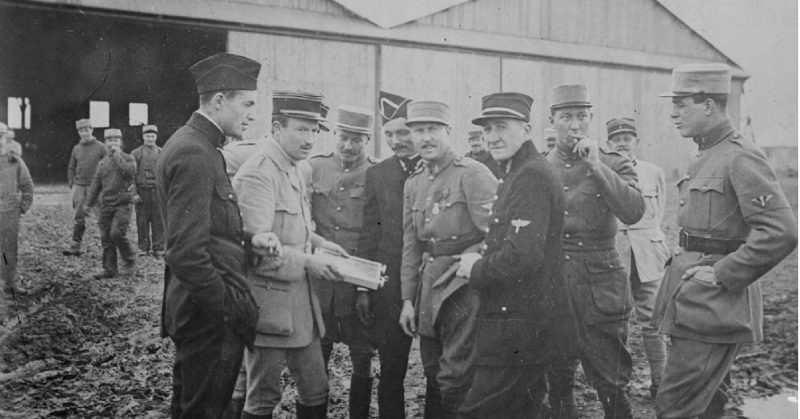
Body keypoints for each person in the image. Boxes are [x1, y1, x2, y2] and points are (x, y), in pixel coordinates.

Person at [652, 63, 797, 419]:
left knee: (675, 408)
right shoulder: (704, 153)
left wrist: (722, 272)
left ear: (709, 105)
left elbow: (781, 230)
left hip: (714, 304)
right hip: (694, 301)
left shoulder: (740, 155)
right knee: (709, 405)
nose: (673, 113)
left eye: (681, 103)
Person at [456, 92, 578, 418]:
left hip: (521, 323)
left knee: (478, 411)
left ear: (525, 129)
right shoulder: (517, 170)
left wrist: (477, 269)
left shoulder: (531, 175)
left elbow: (523, 256)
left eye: (501, 127)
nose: (492, 137)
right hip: (524, 319)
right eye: (487, 130)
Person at [156, 52, 263, 419]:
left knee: (191, 409)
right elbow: (186, 251)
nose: (252, 114)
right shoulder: (195, 153)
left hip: (195, 310)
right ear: (219, 101)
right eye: (247, 104)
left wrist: (249, 241)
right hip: (208, 318)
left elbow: (211, 231)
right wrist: (226, 309)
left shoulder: (200, 146)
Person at [233, 90, 349, 419]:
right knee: (261, 398)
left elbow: (291, 229)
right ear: (276, 127)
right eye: (302, 129)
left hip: (300, 305)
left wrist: (319, 242)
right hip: (267, 307)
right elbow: (258, 252)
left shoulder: (295, 167)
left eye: (314, 130)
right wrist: (311, 262)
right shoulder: (259, 172)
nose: (311, 138)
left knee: (316, 388)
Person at [544, 84, 644, 418]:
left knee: (612, 384)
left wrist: (597, 167)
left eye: (581, 117)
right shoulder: (541, 167)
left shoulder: (614, 162)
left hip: (601, 285)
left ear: (590, 119)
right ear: (552, 121)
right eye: (566, 117)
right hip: (556, 282)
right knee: (557, 382)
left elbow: (633, 211)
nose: (574, 125)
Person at [398, 100, 498, 418]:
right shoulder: (414, 182)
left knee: (456, 374)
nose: (425, 138)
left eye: (433, 130)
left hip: (463, 286)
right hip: (428, 286)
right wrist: (407, 300)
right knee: (432, 369)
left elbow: (497, 235)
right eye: (418, 131)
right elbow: (411, 245)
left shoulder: (472, 173)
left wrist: (470, 259)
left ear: (448, 133)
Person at [309, 105, 376, 419]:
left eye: (357, 139)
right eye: (344, 137)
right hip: (320, 282)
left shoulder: (375, 174)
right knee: (316, 355)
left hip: (358, 284)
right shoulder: (314, 168)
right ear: (334, 135)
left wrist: (365, 288)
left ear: (367, 140)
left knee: (362, 357)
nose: (349, 146)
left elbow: (376, 234)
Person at [356, 90, 419, 419]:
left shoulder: (445, 169)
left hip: (438, 285)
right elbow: (370, 234)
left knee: (444, 374)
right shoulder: (377, 175)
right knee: (392, 371)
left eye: (404, 132)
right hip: (392, 287)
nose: (396, 141)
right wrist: (364, 287)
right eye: (390, 134)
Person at [607, 117, 669, 398]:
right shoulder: (605, 170)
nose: (622, 142)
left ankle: (661, 382)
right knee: (617, 319)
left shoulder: (653, 171)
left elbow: (660, 209)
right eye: (616, 138)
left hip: (647, 250)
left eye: (627, 137)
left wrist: (649, 237)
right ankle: (620, 384)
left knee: (651, 318)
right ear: (608, 143)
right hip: (617, 250)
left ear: (637, 142)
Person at [86, 128, 138, 279]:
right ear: (105, 142)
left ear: (121, 142)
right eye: (109, 140)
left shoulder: (128, 158)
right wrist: (88, 205)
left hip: (123, 203)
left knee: (116, 233)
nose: (112, 143)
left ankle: (129, 260)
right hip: (107, 205)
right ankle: (109, 269)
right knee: (106, 237)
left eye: (115, 140)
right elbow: (96, 185)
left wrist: (117, 156)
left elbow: (130, 173)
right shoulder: (102, 164)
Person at [0, 122, 34, 322]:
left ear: (6, 138)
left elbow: (27, 185)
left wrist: (22, 207)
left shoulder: (15, 161)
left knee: (9, 249)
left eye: (1, 136)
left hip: (10, 212)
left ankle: (10, 282)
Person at [64, 118, 107, 256]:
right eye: (81, 130)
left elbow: (108, 166)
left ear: (92, 130)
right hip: (79, 187)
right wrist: (73, 182)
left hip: (96, 188)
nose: (84, 133)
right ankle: (75, 246)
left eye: (87, 129)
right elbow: (71, 167)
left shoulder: (101, 147)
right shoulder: (76, 148)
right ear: (78, 132)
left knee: (102, 217)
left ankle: (107, 247)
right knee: (79, 217)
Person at [131, 124, 164, 257]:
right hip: (142, 191)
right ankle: (143, 247)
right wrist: (134, 193)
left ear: (156, 137)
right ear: (143, 137)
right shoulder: (136, 153)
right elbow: (131, 175)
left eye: (152, 136)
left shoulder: (162, 152)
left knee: (159, 220)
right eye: (147, 136)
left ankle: (159, 247)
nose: (150, 138)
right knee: (142, 220)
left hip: (157, 191)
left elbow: (165, 174)